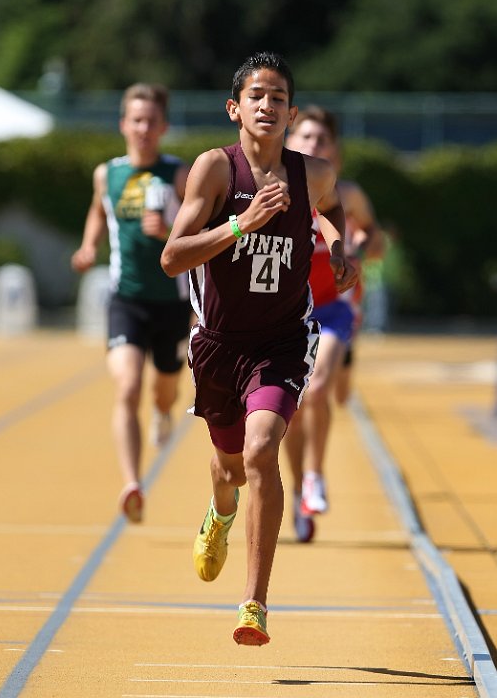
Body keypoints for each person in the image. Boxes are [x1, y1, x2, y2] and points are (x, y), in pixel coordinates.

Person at [161, 53, 357, 645]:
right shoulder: (215, 172)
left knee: (263, 447)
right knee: (229, 471)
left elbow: (332, 206)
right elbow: (173, 255)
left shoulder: (312, 174)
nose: (267, 106)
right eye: (256, 96)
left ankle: (255, 602)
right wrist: (243, 225)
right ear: (235, 109)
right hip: (219, 344)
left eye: (277, 98)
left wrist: (338, 245)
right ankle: (219, 515)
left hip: (282, 339)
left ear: (289, 111)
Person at [71, 83, 192, 524]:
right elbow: (98, 210)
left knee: (164, 388)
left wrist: (170, 230)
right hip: (127, 298)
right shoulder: (108, 174)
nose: (143, 128)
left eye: (151, 121)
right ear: (123, 124)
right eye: (135, 120)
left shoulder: (179, 174)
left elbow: (198, 228)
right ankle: (132, 483)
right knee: (126, 387)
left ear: (163, 127)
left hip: (174, 302)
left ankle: (164, 411)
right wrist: (88, 247)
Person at [284, 105, 385, 542]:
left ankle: (314, 475)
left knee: (323, 389)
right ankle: (297, 492)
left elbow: (377, 241)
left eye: (321, 140)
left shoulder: (348, 194)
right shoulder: (274, 193)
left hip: (334, 309)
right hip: (288, 312)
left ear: (334, 155)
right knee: (291, 409)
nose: (312, 145)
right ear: (288, 144)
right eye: (304, 137)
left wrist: (364, 242)